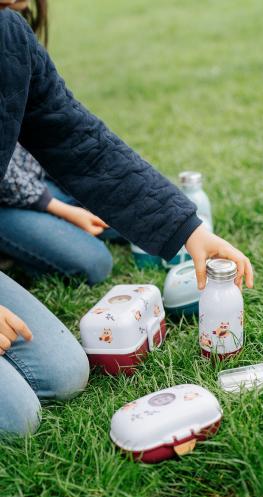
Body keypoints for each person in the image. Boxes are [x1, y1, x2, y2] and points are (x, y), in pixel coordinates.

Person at [0, 3, 254, 437]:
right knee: (17, 420)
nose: (30, 3)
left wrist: (188, 228)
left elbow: (79, 141)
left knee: (63, 375)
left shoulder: (9, 34)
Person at [0, 0, 124, 285]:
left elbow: (56, 125)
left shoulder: (14, 23)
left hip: (36, 179)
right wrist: (58, 208)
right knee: (93, 263)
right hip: (7, 199)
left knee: (127, 216)